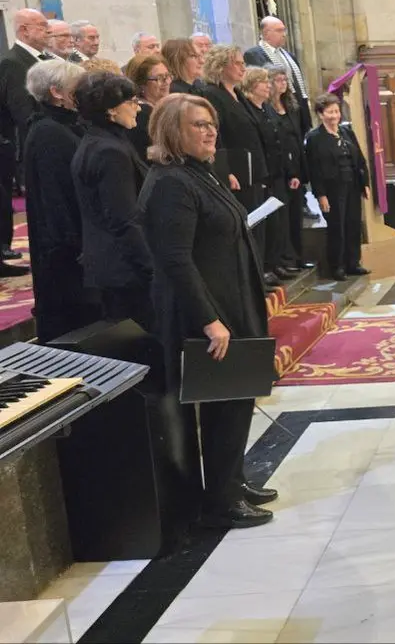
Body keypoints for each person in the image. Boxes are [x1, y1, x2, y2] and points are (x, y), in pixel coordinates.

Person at [139, 93, 276, 529]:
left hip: (232, 300)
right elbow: (176, 260)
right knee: (223, 402)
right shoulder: (171, 184)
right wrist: (209, 320)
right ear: (173, 132)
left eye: (211, 123)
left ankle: (230, 480)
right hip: (209, 311)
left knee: (236, 398)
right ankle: (220, 501)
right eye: (199, 124)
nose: (211, 130)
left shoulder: (200, 174)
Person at [71, 72, 154, 329]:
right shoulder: (109, 151)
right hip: (124, 268)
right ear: (110, 110)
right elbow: (123, 219)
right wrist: (152, 266)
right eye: (131, 101)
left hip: (114, 263)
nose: (137, 107)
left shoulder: (102, 140)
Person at [23, 59, 94, 340]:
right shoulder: (48, 131)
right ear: (57, 92)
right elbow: (55, 197)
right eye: (79, 88)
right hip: (64, 248)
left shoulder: (65, 125)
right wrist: (76, 243)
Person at [202, 45, 274, 284]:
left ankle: (258, 275)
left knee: (258, 226)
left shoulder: (238, 94)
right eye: (238, 63)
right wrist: (226, 170)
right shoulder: (213, 94)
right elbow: (217, 136)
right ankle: (248, 279)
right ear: (221, 66)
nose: (244, 67)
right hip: (235, 172)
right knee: (245, 227)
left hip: (253, 170)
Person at [0, 8, 49, 268]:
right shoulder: (13, 61)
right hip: (27, 146)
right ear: (24, 30)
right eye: (41, 26)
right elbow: (23, 112)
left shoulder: (39, 58)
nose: (47, 30)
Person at [304, 94, 369, 281]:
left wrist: (364, 183)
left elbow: (360, 159)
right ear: (320, 114)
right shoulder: (315, 138)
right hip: (332, 189)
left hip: (352, 185)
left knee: (353, 224)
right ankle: (337, 266)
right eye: (330, 112)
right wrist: (321, 195)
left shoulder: (346, 132)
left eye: (336, 111)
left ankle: (353, 262)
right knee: (337, 227)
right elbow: (314, 170)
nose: (334, 115)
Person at [241, 66, 297, 281]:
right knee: (266, 222)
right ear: (252, 85)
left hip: (277, 172)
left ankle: (276, 262)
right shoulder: (250, 111)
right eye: (264, 82)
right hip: (262, 175)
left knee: (279, 220)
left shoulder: (267, 109)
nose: (268, 86)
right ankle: (265, 267)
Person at [266, 64, 311, 270]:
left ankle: (299, 256)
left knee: (296, 214)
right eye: (278, 80)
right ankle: (286, 258)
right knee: (282, 217)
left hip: (296, 166)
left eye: (285, 80)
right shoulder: (267, 109)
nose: (283, 83)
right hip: (279, 168)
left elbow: (299, 136)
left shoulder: (291, 106)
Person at [243, 16, 313, 133]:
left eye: (284, 30)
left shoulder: (289, 56)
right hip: (277, 108)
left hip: (297, 105)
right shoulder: (254, 55)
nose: (284, 34)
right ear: (267, 33)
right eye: (280, 30)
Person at [123, 54, 172, 161]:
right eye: (159, 78)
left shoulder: (158, 108)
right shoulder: (142, 113)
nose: (166, 82)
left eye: (167, 76)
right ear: (141, 83)